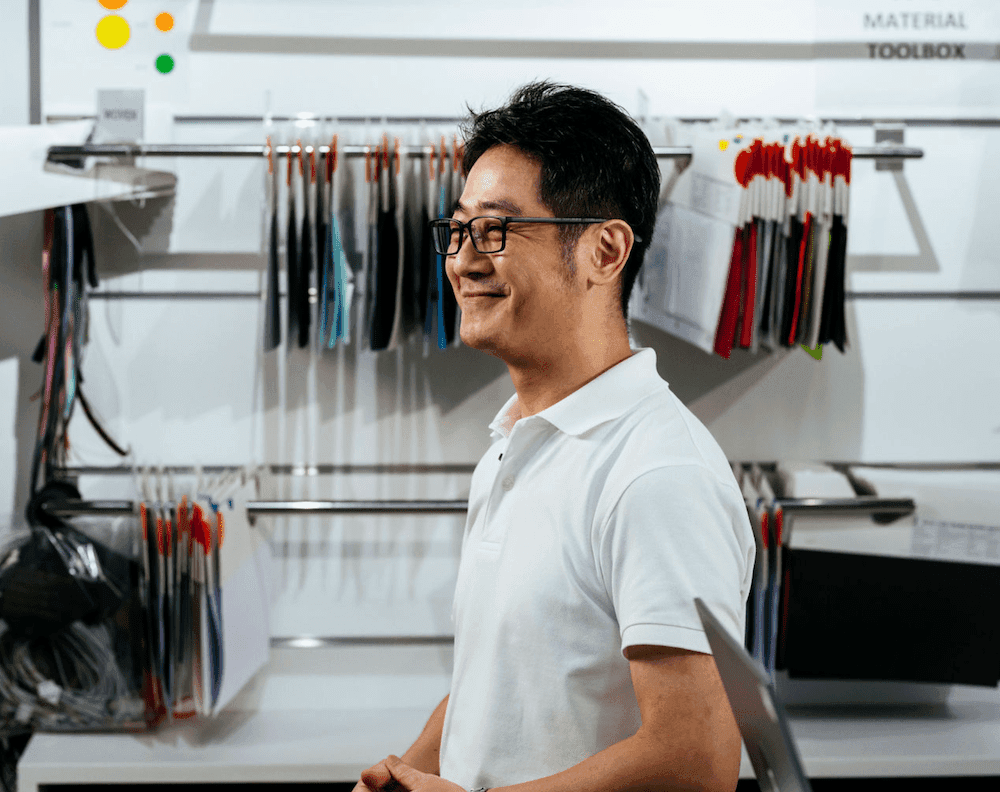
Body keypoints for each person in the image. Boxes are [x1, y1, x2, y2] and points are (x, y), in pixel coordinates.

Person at [354, 81, 755, 792]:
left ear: (605, 250)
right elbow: (495, 683)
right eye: (458, 230)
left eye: (497, 230)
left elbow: (696, 759)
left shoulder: (656, 474)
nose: (463, 260)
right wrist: (404, 772)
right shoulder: (515, 443)